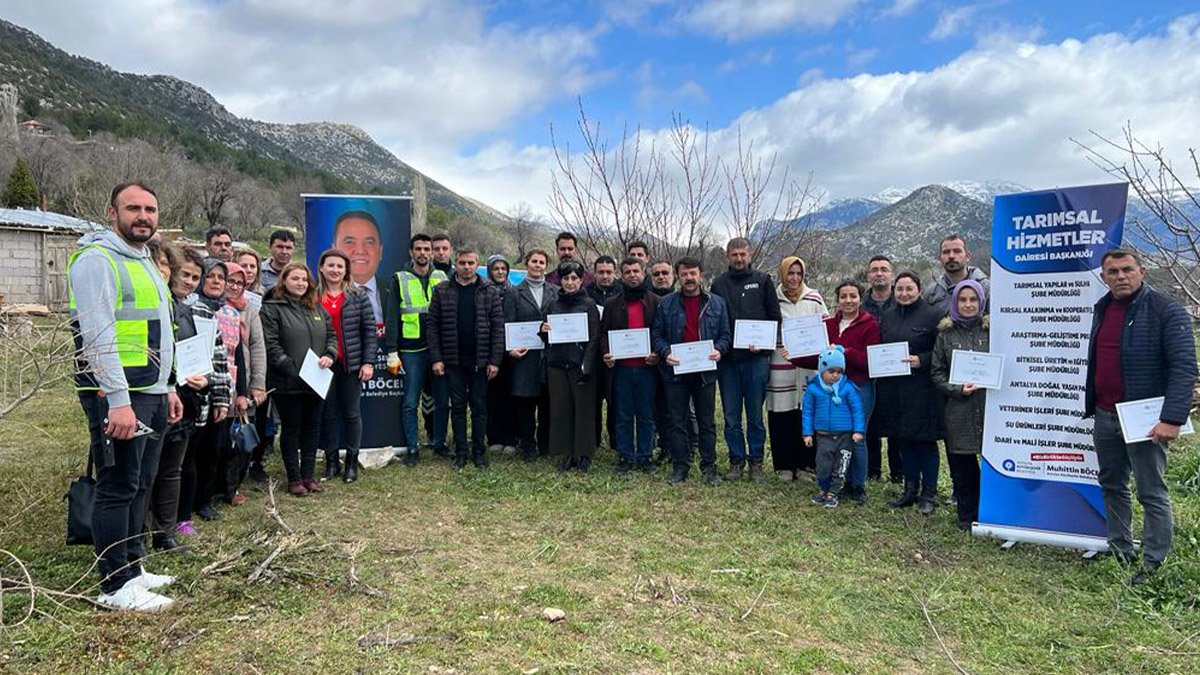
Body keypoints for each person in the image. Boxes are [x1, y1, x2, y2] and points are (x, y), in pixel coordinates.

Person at [68, 181, 182, 612]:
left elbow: (161, 331)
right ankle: (114, 585)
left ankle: (134, 565)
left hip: (150, 389)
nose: (144, 216)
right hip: (118, 395)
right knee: (117, 487)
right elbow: (97, 337)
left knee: (140, 483)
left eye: (150, 209)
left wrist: (168, 386)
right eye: (133, 208)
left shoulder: (145, 260)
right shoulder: (97, 261)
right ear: (112, 212)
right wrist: (118, 400)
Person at [1084, 250, 1197, 584]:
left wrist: (1172, 418)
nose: (1120, 276)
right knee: (1112, 483)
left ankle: (1154, 562)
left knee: (1151, 490)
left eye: (1127, 270)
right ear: (1104, 277)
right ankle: (1120, 548)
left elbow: (1184, 366)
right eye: (1113, 271)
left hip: (1144, 419)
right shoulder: (1102, 308)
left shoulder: (1166, 310)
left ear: (1142, 271)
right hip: (1105, 414)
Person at [152, 243, 230, 552]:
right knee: (153, 468)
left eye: (194, 277)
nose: (188, 281)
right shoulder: (159, 305)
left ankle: (169, 527)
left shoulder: (195, 311)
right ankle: (146, 528)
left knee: (179, 465)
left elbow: (214, 356)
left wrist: (211, 384)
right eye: (184, 274)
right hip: (157, 396)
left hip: (190, 400)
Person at [795, 280, 881, 504]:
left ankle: (858, 485)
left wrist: (845, 352)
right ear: (837, 300)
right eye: (843, 296)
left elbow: (871, 361)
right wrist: (794, 355)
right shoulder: (829, 325)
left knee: (857, 437)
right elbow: (818, 357)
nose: (848, 301)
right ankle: (838, 483)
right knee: (837, 439)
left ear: (860, 299)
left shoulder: (869, 324)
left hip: (859, 387)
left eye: (853, 296)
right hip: (830, 391)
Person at [652, 256, 731, 486]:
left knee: (707, 422)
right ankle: (680, 466)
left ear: (701, 275)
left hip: (705, 372)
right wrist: (666, 352)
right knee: (677, 421)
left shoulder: (716, 303)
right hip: (676, 371)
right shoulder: (666, 303)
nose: (689, 278)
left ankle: (709, 467)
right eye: (684, 274)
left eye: (693, 273)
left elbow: (725, 335)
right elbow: (657, 334)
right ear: (678, 276)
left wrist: (719, 350)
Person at [261, 262, 337, 496]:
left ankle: (308, 475)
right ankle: (294, 479)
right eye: (295, 279)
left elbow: (332, 335)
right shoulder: (272, 308)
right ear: (284, 281)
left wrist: (329, 355)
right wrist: (291, 368)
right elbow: (271, 345)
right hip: (288, 382)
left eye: (304, 280)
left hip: (317, 380)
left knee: (312, 429)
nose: (301, 284)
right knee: (292, 429)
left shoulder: (316, 309)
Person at [711, 237, 782, 482]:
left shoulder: (763, 281)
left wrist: (763, 344)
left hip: (756, 360)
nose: (739, 259)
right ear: (727, 256)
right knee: (731, 416)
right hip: (728, 361)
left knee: (754, 415)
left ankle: (756, 462)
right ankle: (735, 461)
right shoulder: (718, 284)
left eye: (743, 254)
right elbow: (714, 319)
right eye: (734, 255)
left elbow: (775, 318)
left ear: (750, 255)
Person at [427, 247, 505, 470]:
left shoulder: (489, 291)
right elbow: (432, 327)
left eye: (471, 263)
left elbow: (498, 329)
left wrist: (494, 361)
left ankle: (479, 452)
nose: (467, 267)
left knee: (479, 407)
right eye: (462, 263)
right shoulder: (442, 290)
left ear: (477, 264)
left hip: (480, 361)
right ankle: (461, 452)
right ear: (456, 264)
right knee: (458, 407)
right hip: (453, 360)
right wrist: (436, 358)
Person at [875, 273, 945, 515]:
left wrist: (921, 360)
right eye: (900, 289)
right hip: (895, 390)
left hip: (923, 390)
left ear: (919, 290)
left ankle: (929, 494)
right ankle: (909, 489)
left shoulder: (932, 315)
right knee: (904, 440)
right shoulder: (888, 316)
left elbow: (942, 352)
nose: (904, 293)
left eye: (909, 289)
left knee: (925, 443)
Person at [384, 234, 450, 466]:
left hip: (440, 349)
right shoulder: (399, 278)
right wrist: (392, 350)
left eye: (427, 249)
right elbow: (391, 316)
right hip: (411, 350)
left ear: (432, 252)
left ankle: (440, 443)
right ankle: (412, 447)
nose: (423, 253)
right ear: (411, 252)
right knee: (411, 402)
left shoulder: (443, 276)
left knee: (443, 400)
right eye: (418, 249)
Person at [181, 258, 237, 524]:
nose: (215, 281)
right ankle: (183, 507)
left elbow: (220, 357)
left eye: (220, 278)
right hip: (186, 392)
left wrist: (222, 398)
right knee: (189, 454)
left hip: (211, 391)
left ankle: (204, 501)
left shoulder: (221, 312)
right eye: (210, 276)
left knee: (212, 450)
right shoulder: (188, 308)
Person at [930, 280, 989, 531]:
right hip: (959, 409)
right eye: (963, 300)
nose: (968, 304)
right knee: (962, 467)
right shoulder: (945, 334)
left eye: (973, 299)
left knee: (991, 465)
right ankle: (966, 515)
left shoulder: (994, 331)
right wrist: (956, 389)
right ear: (955, 302)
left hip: (989, 408)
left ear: (981, 302)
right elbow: (937, 372)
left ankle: (990, 513)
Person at [316, 249, 377, 483]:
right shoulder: (312, 296)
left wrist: (368, 362)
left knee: (352, 413)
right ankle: (332, 462)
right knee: (328, 414)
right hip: (322, 365)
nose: (335, 270)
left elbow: (369, 331)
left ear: (346, 270)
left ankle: (352, 461)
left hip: (350, 364)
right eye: (330, 265)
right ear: (322, 268)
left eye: (340, 267)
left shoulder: (358, 295)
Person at [768, 256, 827, 482]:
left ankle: (805, 465)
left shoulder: (814, 297)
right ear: (782, 274)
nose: (794, 278)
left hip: (807, 367)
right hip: (779, 365)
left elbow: (825, 327)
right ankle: (783, 465)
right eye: (790, 273)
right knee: (781, 414)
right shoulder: (773, 298)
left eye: (798, 274)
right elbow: (765, 327)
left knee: (806, 414)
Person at [600, 258, 660, 474]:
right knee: (623, 415)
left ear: (644, 274)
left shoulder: (656, 301)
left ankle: (645, 457)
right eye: (627, 272)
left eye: (636, 271)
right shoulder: (612, 304)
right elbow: (604, 334)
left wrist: (657, 354)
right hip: (621, 370)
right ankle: (625, 457)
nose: (632, 275)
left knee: (646, 414)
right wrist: (606, 354)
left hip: (647, 369)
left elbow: (661, 334)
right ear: (621, 276)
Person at [543, 260, 602, 472]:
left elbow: (594, 338)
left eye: (574, 278)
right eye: (566, 278)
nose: (570, 282)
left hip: (580, 366)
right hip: (558, 364)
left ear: (581, 280)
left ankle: (584, 453)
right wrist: (544, 330)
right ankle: (567, 452)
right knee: (562, 409)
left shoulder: (588, 305)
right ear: (561, 280)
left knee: (583, 409)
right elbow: (546, 334)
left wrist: (587, 365)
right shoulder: (553, 304)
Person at [216, 261, 267, 507]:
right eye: (230, 281)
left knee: (241, 438)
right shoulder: (207, 306)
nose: (234, 287)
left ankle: (232, 486)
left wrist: (257, 384)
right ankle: (211, 487)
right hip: (214, 382)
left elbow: (257, 347)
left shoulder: (249, 310)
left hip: (242, 383)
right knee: (217, 440)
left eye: (239, 283)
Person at [505, 249, 559, 462]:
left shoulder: (555, 291)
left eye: (541, 262)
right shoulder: (514, 293)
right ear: (527, 264)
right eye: (534, 261)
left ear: (546, 265)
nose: (537, 265)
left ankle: (545, 444)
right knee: (526, 404)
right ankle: (528, 445)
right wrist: (510, 349)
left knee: (547, 403)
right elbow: (507, 323)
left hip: (549, 356)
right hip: (524, 356)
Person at [803, 347, 866, 508]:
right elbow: (808, 412)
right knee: (823, 466)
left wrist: (858, 431)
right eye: (831, 371)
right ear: (822, 370)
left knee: (841, 466)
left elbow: (857, 410)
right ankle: (823, 489)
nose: (835, 375)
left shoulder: (848, 388)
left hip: (845, 436)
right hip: (823, 436)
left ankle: (833, 493)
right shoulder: (813, 389)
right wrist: (807, 433)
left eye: (839, 372)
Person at [863, 255, 901, 483]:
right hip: (866, 371)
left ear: (892, 275)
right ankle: (872, 470)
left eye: (884, 269)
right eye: (874, 270)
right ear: (868, 276)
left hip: (896, 373)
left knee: (897, 422)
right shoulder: (860, 304)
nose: (879, 273)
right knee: (870, 421)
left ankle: (898, 471)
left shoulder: (903, 301)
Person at [485, 254, 518, 454]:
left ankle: (511, 438)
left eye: (503, 268)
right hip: (491, 351)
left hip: (512, 352)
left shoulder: (515, 292)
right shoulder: (484, 292)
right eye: (496, 268)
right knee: (492, 397)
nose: (500, 272)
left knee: (511, 396)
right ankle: (494, 437)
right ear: (490, 271)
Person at [587, 255, 620, 448]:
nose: (605, 276)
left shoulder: (622, 293)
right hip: (592, 356)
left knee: (615, 400)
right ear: (594, 273)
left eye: (609, 272)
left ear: (615, 273)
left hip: (615, 356)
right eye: (601, 272)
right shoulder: (585, 294)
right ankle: (594, 439)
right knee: (593, 400)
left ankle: (615, 440)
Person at [332, 210, 385, 323]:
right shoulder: (319, 294)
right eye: (349, 242)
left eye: (369, 242)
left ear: (380, 251)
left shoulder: (393, 290)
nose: (360, 251)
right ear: (334, 250)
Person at [923, 235, 990, 316]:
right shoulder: (931, 293)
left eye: (957, 251)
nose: (951, 256)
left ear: (968, 256)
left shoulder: (986, 288)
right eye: (946, 252)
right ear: (940, 258)